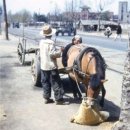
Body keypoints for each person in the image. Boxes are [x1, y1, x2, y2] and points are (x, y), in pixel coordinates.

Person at [39, 24, 68, 105]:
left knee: (45, 82)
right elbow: (52, 54)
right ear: (51, 34)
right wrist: (60, 51)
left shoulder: (41, 42)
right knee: (56, 82)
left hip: (43, 66)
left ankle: (46, 98)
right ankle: (59, 100)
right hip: (51, 66)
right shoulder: (51, 43)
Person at [62, 35, 83, 99]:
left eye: (80, 41)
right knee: (73, 81)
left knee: (79, 81)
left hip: (79, 67)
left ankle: (79, 94)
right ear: (74, 40)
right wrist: (67, 65)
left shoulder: (81, 47)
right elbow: (64, 58)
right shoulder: (69, 47)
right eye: (77, 41)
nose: (78, 42)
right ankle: (75, 94)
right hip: (70, 67)